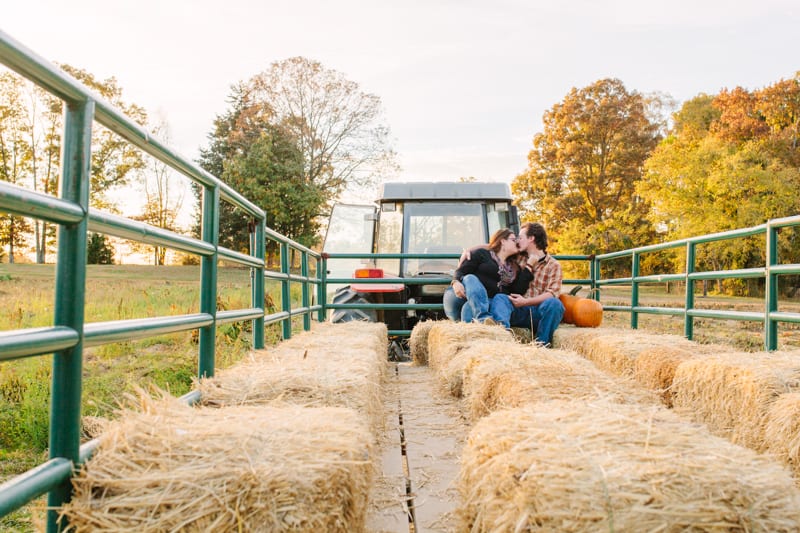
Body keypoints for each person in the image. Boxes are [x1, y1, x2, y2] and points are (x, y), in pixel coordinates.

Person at [493, 222, 564, 346]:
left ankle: (541, 345)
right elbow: (495, 246)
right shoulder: (518, 257)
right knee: (500, 298)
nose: (517, 240)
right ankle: (502, 339)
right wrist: (468, 251)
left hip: (538, 313)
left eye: (520, 237)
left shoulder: (553, 265)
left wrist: (525, 302)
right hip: (517, 310)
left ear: (531, 239)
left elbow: (552, 293)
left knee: (555, 304)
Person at [443, 228, 531, 325]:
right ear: (503, 241)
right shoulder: (482, 254)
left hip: (488, 302)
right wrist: (455, 282)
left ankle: (488, 331)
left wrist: (528, 269)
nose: (516, 242)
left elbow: (517, 291)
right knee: (470, 278)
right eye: (513, 240)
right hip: (464, 296)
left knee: (468, 309)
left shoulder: (514, 268)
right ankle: (483, 318)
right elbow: (461, 271)